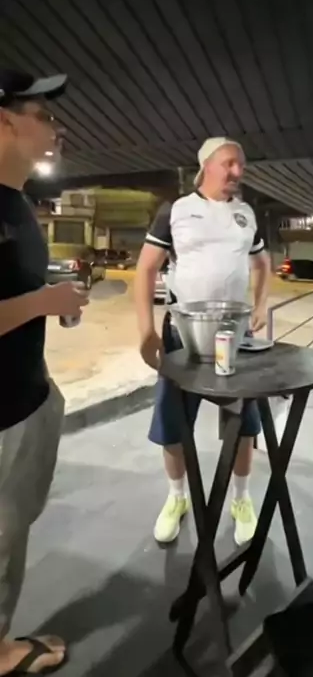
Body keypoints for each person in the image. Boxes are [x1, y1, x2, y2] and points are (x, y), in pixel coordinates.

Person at [135, 137, 270, 546]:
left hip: (234, 335)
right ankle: (177, 498)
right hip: (184, 335)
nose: (237, 172)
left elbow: (262, 263)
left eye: (241, 165)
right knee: (173, 423)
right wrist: (146, 330)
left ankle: (241, 499)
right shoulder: (176, 210)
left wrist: (261, 304)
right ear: (206, 165)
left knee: (243, 424)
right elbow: (145, 270)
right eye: (229, 163)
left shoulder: (246, 214)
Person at [0, 69, 88, 675]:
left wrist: (48, 298)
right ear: (4, 121)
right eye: (44, 114)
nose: (55, 127)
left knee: (10, 534)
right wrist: (42, 302)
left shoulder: (17, 203)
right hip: (3, 416)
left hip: (25, 397)